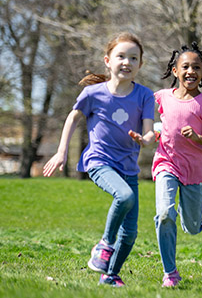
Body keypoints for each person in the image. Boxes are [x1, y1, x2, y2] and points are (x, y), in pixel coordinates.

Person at [43, 32, 156, 287]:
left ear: (140, 64)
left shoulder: (144, 96)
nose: (126, 62)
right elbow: (73, 118)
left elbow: (149, 129)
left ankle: (110, 275)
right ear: (108, 60)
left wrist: (147, 139)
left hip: (128, 167)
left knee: (130, 235)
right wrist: (61, 152)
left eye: (133, 58)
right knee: (124, 197)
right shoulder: (93, 94)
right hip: (99, 161)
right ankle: (104, 244)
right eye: (121, 56)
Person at [151, 43, 202, 287]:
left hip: (194, 171)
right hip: (166, 164)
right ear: (175, 71)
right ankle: (170, 272)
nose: (191, 71)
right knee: (164, 214)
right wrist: (154, 133)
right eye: (186, 66)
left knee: (192, 228)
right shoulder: (162, 97)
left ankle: (185, 216)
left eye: (196, 67)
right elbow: (157, 123)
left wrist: (197, 138)